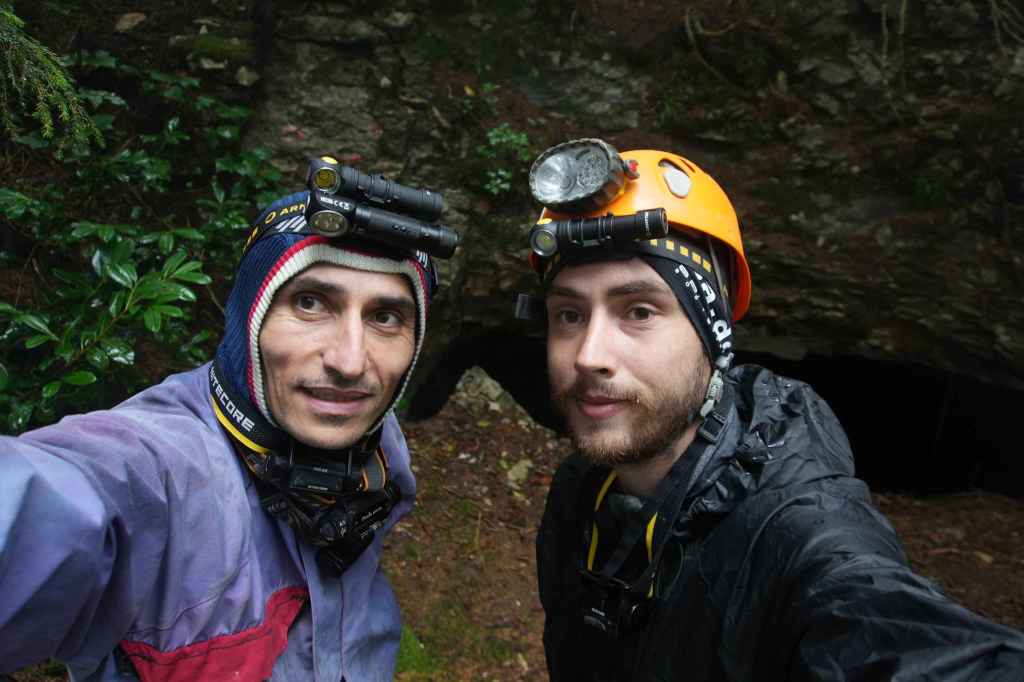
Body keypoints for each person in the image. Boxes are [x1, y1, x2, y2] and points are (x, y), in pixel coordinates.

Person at [523, 139, 1024, 680]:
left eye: (639, 311)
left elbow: (885, 636)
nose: (589, 355)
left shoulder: (795, 534)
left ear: (714, 335)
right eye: (569, 315)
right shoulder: (583, 488)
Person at [0, 159, 458, 681]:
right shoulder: (164, 465)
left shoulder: (369, 436)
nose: (351, 362)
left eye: (385, 316)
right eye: (310, 303)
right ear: (249, 320)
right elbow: (51, 500)